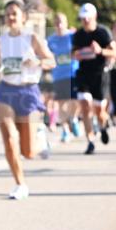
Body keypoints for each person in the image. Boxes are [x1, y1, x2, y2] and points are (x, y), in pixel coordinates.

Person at [0, 0, 55, 200]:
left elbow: (51, 61)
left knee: (29, 152)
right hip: (6, 91)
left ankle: (40, 136)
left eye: (14, 13)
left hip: (29, 92)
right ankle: (20, 184)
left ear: (23, 17)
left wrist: (37, 61)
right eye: (8, 14)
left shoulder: (32, 38)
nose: (10, 17)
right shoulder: (0, 41)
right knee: (9, 139)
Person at [71, 3, 116, 154]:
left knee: (99, 112)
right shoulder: (78, 34)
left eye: (88, 18)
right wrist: (76, 55)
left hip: (100, 75)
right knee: (84, 105)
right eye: (83, 18)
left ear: (94, 17)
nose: (85, 21)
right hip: (84, 74)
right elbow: (73, 53)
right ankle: (90, 141)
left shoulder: (103, 32)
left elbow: (114, 53)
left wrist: (100, 51)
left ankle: (103, 126)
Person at [46, 12, 80, 142]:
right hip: (58, 75)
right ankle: (65, 130)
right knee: (60, 105)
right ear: (54, 25)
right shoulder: (51, 40)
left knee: (75, 101)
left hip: (73, 73)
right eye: (57, 22)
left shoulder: (73, 36)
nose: (59, 25)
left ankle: (74, 119)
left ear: (66, 23)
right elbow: (45, 54)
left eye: (61, 22)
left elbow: (82, 47)